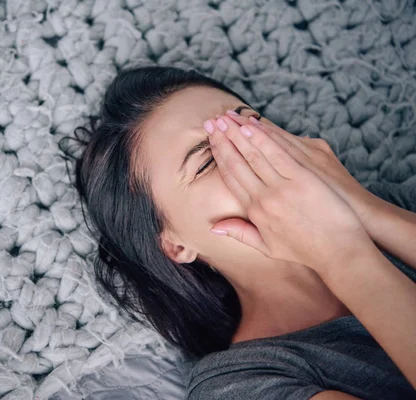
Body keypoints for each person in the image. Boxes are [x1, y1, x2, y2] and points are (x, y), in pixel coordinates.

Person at [60, 65, 416, 399]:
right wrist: (341, 254)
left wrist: (365, 208)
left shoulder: (397, 205)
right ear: (174, 245)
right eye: (208, 161)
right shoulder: (238, 384)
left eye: (251, 124)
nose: (257, 153)